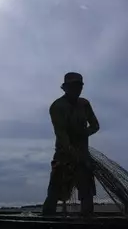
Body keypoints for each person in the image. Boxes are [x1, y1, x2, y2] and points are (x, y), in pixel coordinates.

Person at [43, 72, 100, 216]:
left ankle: (87, 221)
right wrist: (70, 150)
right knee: (55, 191)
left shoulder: (84, 104)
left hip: (83, 154)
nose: (77, 89)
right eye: (73, 86)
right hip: (63, 155)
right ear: (66, 88)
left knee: (86, 191)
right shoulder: (57, 106)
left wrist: (83, 133)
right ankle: (47, 218)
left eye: (79, 86)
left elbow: (95, 125)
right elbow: (60, 133)